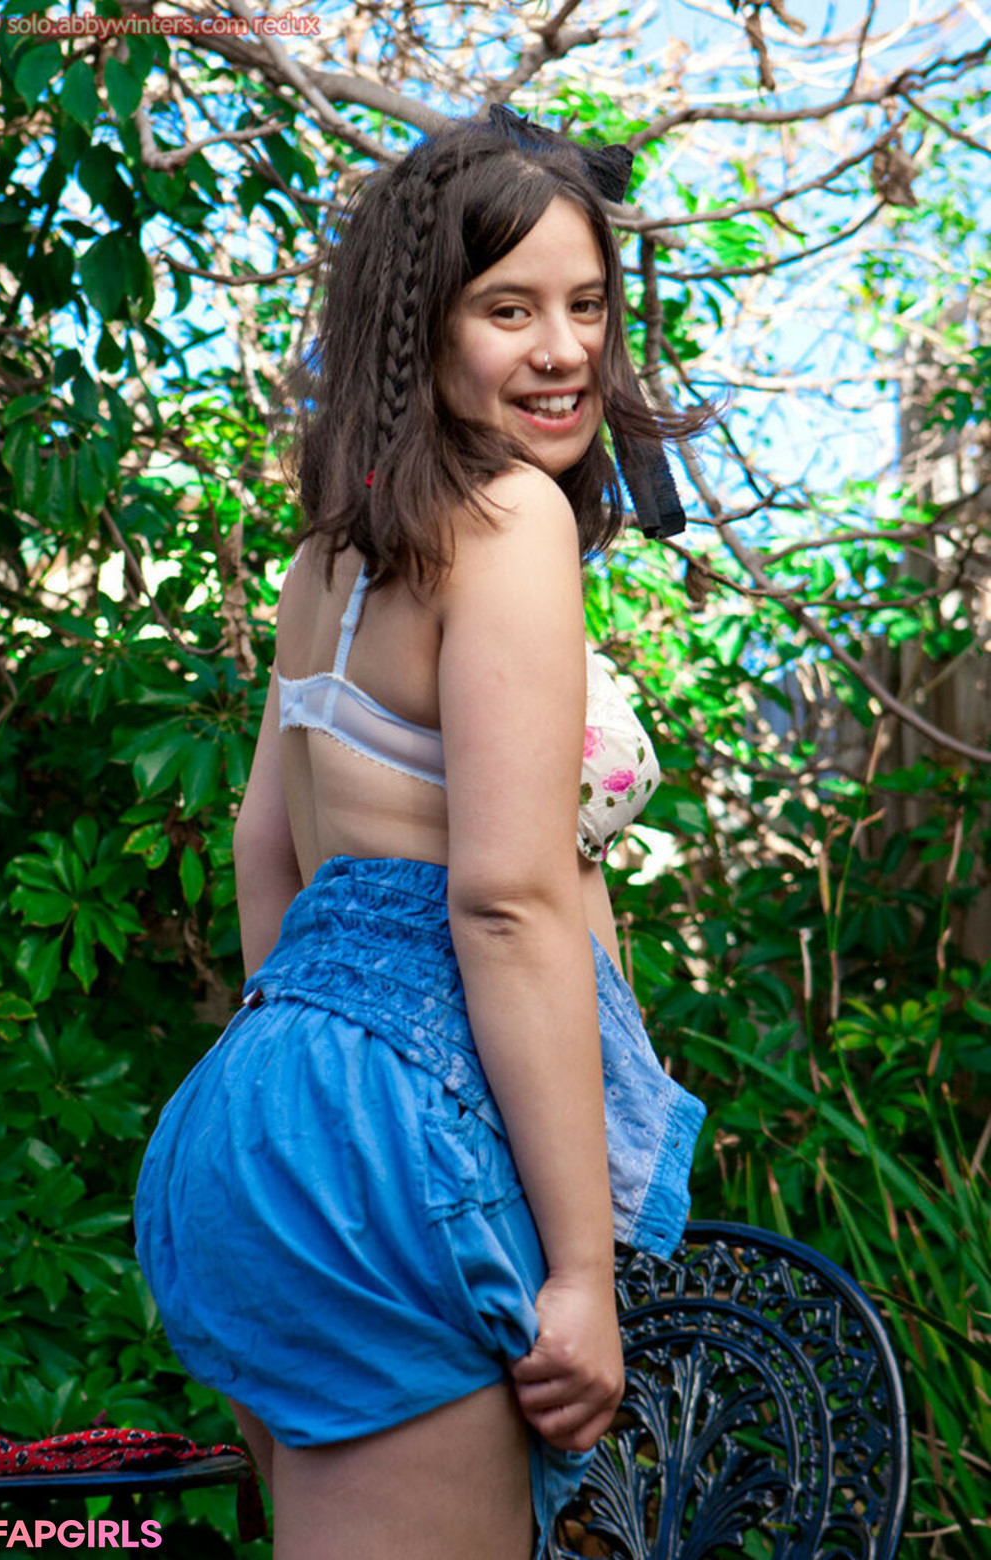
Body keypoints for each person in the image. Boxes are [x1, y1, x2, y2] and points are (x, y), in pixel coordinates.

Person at [134, 109, 707, 1560]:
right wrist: (579, 1272)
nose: (565, 350)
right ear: (421, 325)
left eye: (589, 306)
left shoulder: (330, 555)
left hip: (258, 1115)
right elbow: (505, 900)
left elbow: (270, 856)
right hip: (396, 1143)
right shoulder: (508, 522)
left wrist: (310, 1105)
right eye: (509, 310)